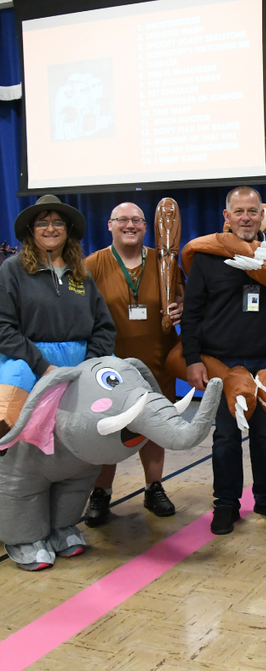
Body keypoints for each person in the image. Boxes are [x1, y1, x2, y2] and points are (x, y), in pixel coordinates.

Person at [181, 186, 266, 535]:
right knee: (225, 437)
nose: (245, 218)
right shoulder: (207, 256)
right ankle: (226, 504)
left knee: (265, 435)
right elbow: (192, 313)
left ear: (261, 215)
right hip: (221, 363)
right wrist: (192, 358)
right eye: (238, 211)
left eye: (252, 211)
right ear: (226, 216)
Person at [0, 194, 115, 569]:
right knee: (27, 458)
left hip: (78, 372)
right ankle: (24, 536)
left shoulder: (82, 274)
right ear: (31, 231)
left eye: (58, 222)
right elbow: (3, 327)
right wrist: (42, 365)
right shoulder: (13, 270)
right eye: (42, 222)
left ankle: (63, 525)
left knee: (75, 454)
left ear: (68, 230)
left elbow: (104, 326)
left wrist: (91, 366)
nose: (50, 228)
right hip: (30, 370)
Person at [83, 202, 184, 526]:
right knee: (107, 429)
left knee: (154, 425)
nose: (130, 225)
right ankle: (101, 492)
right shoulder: (93, 264)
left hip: (157, 360)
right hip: (109, 367)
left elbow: (181, 299)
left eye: (137, 220)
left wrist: (180, 308)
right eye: (123, 220)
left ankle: (154, 487)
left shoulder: (165, 261)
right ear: (110, 225)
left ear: (146, 226)